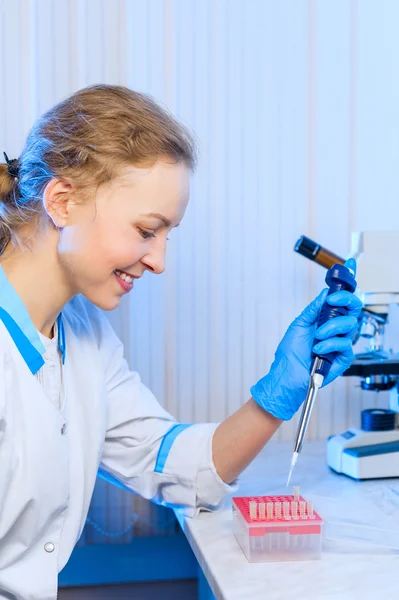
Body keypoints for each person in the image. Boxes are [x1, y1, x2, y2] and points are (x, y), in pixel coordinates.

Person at [0, 84, 362, 600]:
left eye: (168, 235)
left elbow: (170, 464)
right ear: (62, 201)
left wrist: (282, 388)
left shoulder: (83, 335)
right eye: (147, 231)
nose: (160, 261)